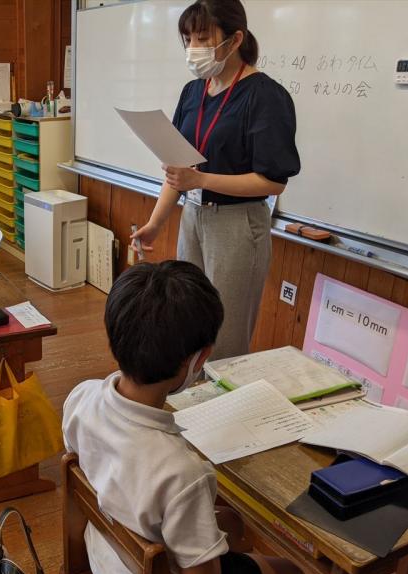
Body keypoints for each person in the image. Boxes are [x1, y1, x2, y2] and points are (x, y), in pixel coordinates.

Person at [63, 261, 306, 574]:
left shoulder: (80, 397)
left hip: (105, 557)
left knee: (229, 522)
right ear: (199, 359)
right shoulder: (183, 473)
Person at [132, 0, 300, 360]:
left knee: (225, 335)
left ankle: (218, 397)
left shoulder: (265, 96)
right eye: (188, 39)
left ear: (235, 39)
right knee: (187, 322)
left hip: (238, 225)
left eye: (203, 38)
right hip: (192, 216)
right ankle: (190, 394)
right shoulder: (193, 91)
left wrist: (201, 179)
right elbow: (178, 169)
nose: (194, 48)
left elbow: (273, 182)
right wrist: (155, 224)